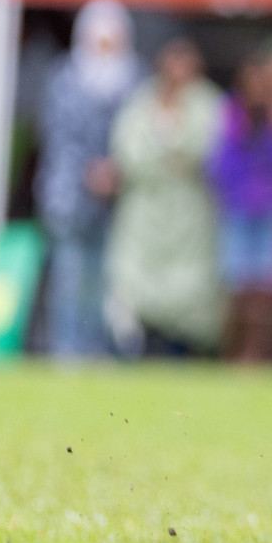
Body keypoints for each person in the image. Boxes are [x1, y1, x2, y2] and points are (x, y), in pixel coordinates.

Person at [105, 38, 224, 358]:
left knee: (191, 287)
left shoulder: (209, 103)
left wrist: (174, 159)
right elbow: (127, 151)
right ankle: (142, 350)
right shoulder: (141, 102)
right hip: (145, 210)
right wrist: (168, 162)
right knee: (136, 282)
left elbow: (210, 150)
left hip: (190, 213)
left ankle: (182, 351)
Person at [34, 0, 139, 358]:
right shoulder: (66, 77)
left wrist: (116, 167)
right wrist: (89, 170)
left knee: (102, 282)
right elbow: (58, 134)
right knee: (68, 277)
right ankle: (66, 349)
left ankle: (94, 349)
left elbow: (134, 132)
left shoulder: (131, 79)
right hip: (68, 197)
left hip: (112, 199)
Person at [208, 53, 272, 362]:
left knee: (265, 288)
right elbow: (220, 163)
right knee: (237, 286)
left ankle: (259, 355)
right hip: (239, 210)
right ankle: (233, 354)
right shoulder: (231, 114)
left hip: (268, 211)